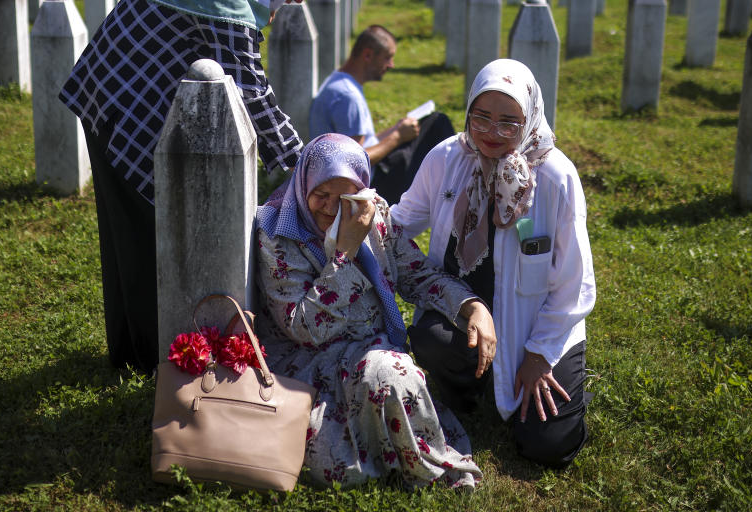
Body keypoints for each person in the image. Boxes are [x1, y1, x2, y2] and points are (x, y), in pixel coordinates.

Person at [59, 0, 335, 373]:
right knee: (144, 232)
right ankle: (147, 357)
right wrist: (306, 163)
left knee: (129, 227)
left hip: (115, 89)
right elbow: (252, 93)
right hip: (121, 102)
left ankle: (132, 350)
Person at [254, 133, 495, 488]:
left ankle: (411, 455)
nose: (332, 209)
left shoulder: (372, 213)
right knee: (380, 384)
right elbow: (302, 327)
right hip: (308, 362)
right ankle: (405, 459)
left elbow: (416, 273)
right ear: (303, 182)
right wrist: (345, 253)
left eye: (345, 198)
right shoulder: (277, 231)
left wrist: (471, 305)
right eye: (321, 195)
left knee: (389, 374)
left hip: (370, 348)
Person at [391, 59, 596, 469]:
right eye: (480, 118)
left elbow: (576, 284)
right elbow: (400, 222)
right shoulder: (448, 157)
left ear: (530, 119)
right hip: (466, 308)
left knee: (546, 446)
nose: (490, 134)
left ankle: (543, 376)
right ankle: (468, 384)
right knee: (431, 337)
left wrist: (539, 354)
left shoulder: (555, 177)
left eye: (508, 123)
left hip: (536, 324)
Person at [309, 25, 455, 205]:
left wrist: (396, 129)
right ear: (368, 55)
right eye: (388, 57)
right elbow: (353, 162)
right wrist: (397, 137)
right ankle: (459, 187)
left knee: (430, 122)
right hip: (372, 185)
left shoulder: (340, 82)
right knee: (437, 124)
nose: (391, 65)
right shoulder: (348, 96)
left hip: (370, 173)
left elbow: (360, 144)